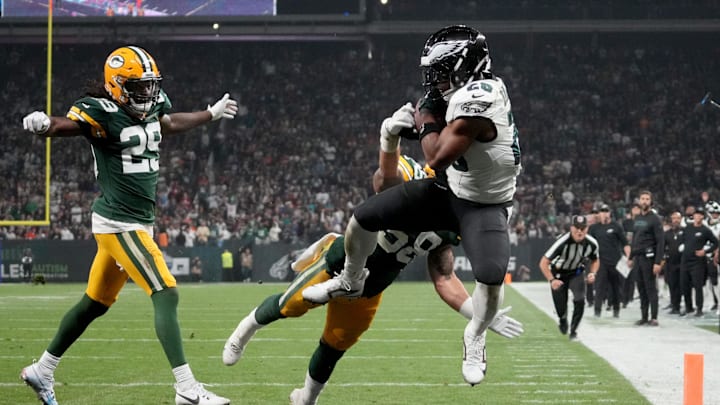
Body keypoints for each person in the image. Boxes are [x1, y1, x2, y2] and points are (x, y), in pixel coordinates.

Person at [303, 25, 521, 386]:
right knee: (363, 218)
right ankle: (350, 279)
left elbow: (435, 156)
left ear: (466, 67)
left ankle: (475, 335)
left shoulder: (482, 96)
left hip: (483, 204)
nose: (434, 81)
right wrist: (407, 127)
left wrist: (424, 121)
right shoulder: (462, 93)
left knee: (491, 278)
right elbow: (435, 156)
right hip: (447, 190)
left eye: (440, 71)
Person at [19, 45, 237, 405]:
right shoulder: (100, 110)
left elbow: (167, 123)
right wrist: (45, 125)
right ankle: (186, 387)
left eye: (151, 85)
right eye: (139, 87)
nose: (148, 94)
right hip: (120, 223)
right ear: (116, 86)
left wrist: (209, 114)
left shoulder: (150, 106)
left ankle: (42, 370)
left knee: (95, 303)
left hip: (132, 222)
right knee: (166, 291)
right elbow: (68, 126)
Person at [223, 151, 524, 405]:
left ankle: (306, 398)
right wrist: (389, 139)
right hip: (342, 264)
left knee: (335, 344)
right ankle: (242, 333)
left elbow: (444, 277)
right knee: (289, 305)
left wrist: (480, 316)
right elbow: (384, 179)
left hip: (371, 287)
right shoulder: (416, 176)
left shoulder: (456, 218)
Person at [539, 215, 599, 340]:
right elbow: (544, 262)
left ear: (587, 229)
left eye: (582, 228)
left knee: (580, 300)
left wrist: (593, 273)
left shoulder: (591, 243)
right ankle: (562, 318)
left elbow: (595, 260)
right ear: (571, 228)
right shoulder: (562, 242)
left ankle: (574, 330)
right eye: (577, 227)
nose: (579, 231)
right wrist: (552, 280)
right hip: (558, 274)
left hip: (576, 273)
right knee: (561, 306)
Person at [628, 191, 665, 326]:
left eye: (647, 199)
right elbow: (635, 239)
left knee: (650, 288)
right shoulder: (637, 218)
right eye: (642, 199)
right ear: (639, 201)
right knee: (641, 288)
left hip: (649, 258)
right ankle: (644, 316)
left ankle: (654, 317)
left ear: (651, 201)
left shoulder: (655, 219)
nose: (644, 201)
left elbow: (660, 242)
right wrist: (631, 257)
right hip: (637, 257)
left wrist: (657, 262)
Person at [588, 204, 630, 318]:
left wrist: (629, 258)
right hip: (600, 263)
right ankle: (597, 312)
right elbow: (588, 244)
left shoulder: (616, 226)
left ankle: (616, 311)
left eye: (606, 211)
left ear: (609, 213)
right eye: (602, 211)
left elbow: (625, 243)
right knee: (599, 287)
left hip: (615, 263)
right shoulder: (594, 228)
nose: (604, 213)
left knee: (616, 288)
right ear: (599, 213)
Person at [679, 206, 718, 317]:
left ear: (703, 217)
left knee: (698, 286)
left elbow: (715, 243)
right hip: (685, 261)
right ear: (694, 216)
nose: (698, 216)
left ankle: (699, 308)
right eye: (696, 214)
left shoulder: (705, 230)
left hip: (698, 262)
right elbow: (682, 241)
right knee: (685, 285)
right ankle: (688, 307)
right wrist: (681, 248)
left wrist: (705, 251)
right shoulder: (687, 228)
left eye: (700, 215)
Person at [663, 212, 684, 314]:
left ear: (681, 219)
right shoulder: (667, 233)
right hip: (670, 263)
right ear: (671, 220)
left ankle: (679, 305)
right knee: (672, 284)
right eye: (674, 218)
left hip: (682, 262)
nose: (676, 220)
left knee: (681, 285)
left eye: (678, 218)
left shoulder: (685, 232)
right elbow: (662, 247)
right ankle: (674, 305)